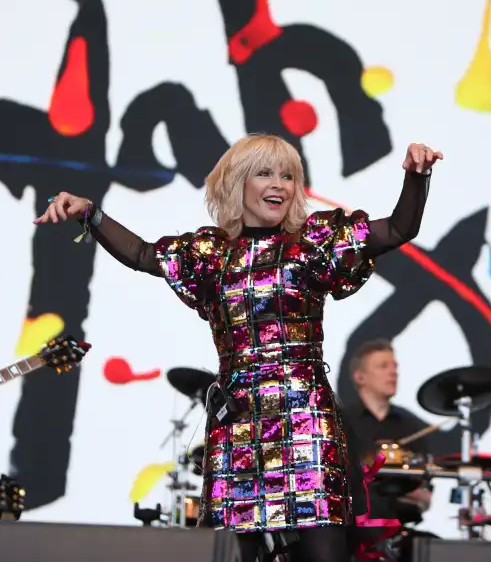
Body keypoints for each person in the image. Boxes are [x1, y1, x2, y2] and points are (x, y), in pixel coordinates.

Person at [36, 134, 443, 562]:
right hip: (239, 425)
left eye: (288, 175)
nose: (280, 184)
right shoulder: (211, 255)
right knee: (236, 551)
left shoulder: (312, 244)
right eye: (265, 173)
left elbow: (399, 227)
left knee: (323, 553)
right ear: (238, 184)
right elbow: (141, 253)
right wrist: (90, 213)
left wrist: (418, 177)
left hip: (305, 419)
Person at [343, 340, 435, 525]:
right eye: (383, 366)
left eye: (394, 366)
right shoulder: (340, 422)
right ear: (360, 377)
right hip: (352, 524)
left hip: (399, 523)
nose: (393, 372)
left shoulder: (410, 426)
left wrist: (420, 493)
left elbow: (425, 486)